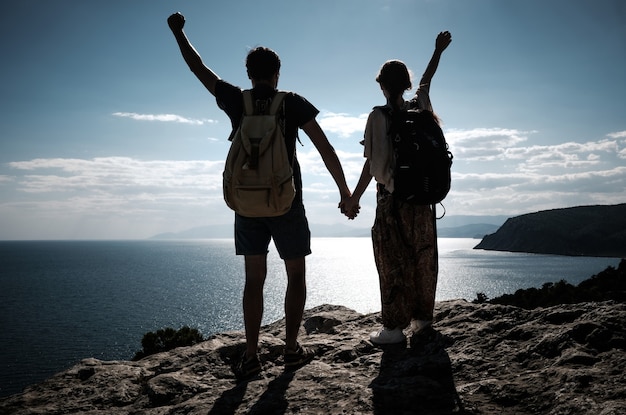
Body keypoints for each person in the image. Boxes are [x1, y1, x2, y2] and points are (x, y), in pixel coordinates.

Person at [167, 12, 352, 378]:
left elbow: (198, 68)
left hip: (247, 204)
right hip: (286, 202)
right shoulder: (292, 103)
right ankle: (290, 350)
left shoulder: (236, 100)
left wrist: (178, 32)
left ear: (249, 73)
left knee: (254, 280)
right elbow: (326, 148)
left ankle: (250, 357)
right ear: (277, 73)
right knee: (295, 274)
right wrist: (345, 193)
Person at [343, 31, 452, 344]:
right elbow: (427, 81)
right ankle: (423, 321)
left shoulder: (379, 116)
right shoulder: (421, 108)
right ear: (406, 84)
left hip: (392, 200)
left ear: (381, 84)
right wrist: (437, 51)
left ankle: (392, 330)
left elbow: (372, 166)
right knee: (424, 256)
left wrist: (353, 199)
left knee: (393, 262)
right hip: (424, 200)